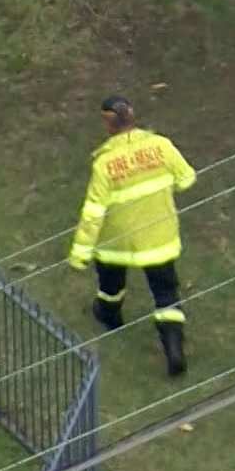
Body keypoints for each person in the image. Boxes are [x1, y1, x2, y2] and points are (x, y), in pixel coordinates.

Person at [67, 95, 198, 377]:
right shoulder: (161, 146)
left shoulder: (105, 163)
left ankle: (110, 316)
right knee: (166, 294)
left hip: (117, 240)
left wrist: (80, 253)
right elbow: (187, 178)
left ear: (108, 124)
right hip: (158, 236)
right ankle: (174, 349)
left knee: (111, 286)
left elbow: (93, 212)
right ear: (133, 116)